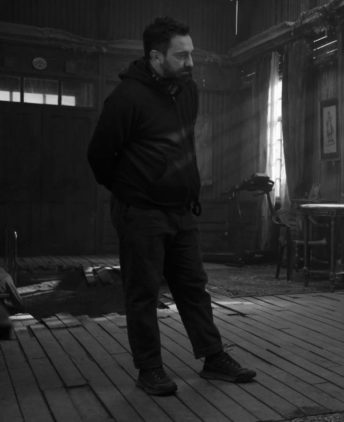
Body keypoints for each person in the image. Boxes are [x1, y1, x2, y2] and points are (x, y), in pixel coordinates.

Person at [87, 16, 256, 396]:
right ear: (155, 57)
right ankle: (150, 369)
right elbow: (98, 156)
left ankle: (213, 358)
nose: (190, 62)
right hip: (141, 212)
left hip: (180, 210)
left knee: (193, 287)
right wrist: (132, 190)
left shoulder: (187, 91)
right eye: (181, 56)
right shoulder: (126, 98)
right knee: (143, 293)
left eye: (191, 53)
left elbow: (182, 146)